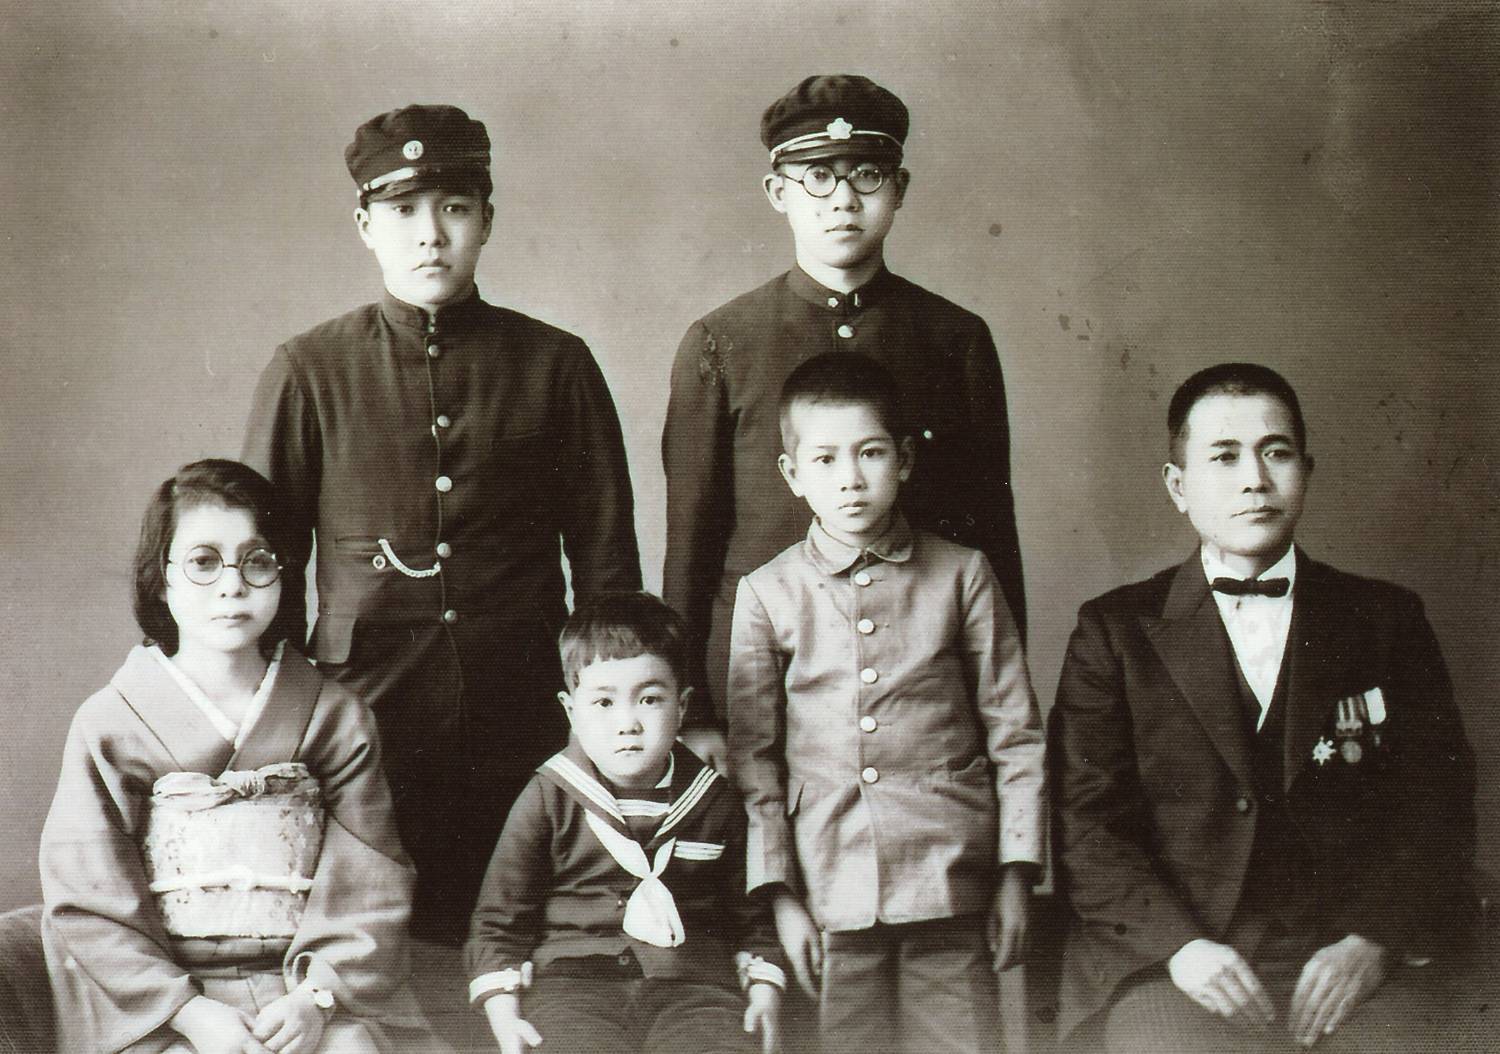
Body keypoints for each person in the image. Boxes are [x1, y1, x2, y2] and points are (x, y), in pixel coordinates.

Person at [242, 104, 641, 940]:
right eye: (402, 211)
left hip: (526, 718)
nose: (430, 234)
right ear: (365, 226)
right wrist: (283, 732)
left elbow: (608, 569)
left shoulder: (555, 364)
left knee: (528, 946)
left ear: (486, 221)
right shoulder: (310, 371)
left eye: (454, 208)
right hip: (364, 726)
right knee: (375, 949)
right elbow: (263, 570)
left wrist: (605, 717)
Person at [1050, 363, 1478, 1052]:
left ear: (1305, 470)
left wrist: (1373, 940)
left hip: (1347, 954)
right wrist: (1183, 950)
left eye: (1275, 452)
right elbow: (1086, 826)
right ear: (1178, 487)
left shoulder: (1385, 619)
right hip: (1180, 964)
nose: (1254, 478)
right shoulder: (1115, 631)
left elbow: (1439, 802)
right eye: (1224, 457)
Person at [662, 74, 1026, 768]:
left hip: (920, 693)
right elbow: (691, 543)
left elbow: (992, 533)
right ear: (778, 192)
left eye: (867, 174)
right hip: (760, 683)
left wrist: (995, 704)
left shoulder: (954, 339)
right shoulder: (721, 342)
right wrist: (693, 709)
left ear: (900, 188)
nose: (843, 200)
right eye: (818, 177)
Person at [39, 459, 451, 1054]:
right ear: (161, 579)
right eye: (204, 562)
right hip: (165, 1002)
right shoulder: (110, 722)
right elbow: (89, 895)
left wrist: (316, 999)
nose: (232, 585)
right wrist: (188, 1013)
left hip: (304, 986)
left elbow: (372, 880)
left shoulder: (336, 716)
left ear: (283, 574)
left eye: (257, 560)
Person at [726, 353, 1045, 1054]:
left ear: (904, 459)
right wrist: (780, 896)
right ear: (792, 474)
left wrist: (1016, 873)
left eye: (870, 453)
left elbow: (1016, 734)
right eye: (825, 459)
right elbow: (755, 761)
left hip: (951, 877)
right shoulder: (767, 593)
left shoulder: (962, 574)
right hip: (827, 882)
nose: (850, 478)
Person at [464, 592, 785, 1054]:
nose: (627, 723)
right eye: (603, 702)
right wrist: (504, 1013)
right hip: (572, 985)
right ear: (571, 711)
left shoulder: (713, 800)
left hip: (693, 985)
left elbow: (751, 919)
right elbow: (499, 920)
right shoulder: (549, 795)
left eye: (650, 699)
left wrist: (764, 992)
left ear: (683, 706)